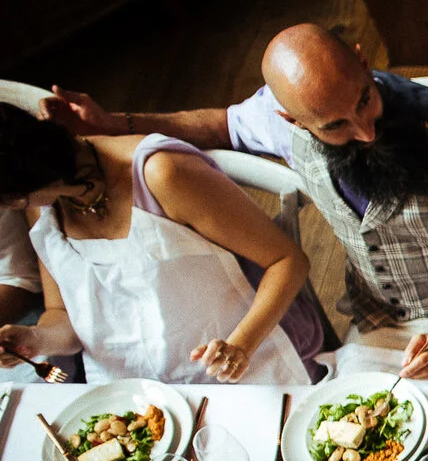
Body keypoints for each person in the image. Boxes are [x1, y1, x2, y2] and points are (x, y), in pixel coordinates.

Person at [39, 24, 428, 382]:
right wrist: (113, 123)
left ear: (363, 61)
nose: (364, 130)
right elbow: (220, 125)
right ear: (290, 119)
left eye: (364, 99)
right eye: (334, 126)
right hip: (379, 323)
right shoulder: (277, 118)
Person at [0, 103, 321, 383]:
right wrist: (36, 339)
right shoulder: (41, 206)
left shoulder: (160, 173)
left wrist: (239, 346)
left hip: (246, 360)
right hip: (135, 391)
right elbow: (64, 315)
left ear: (19, 191)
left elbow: (288, 261)